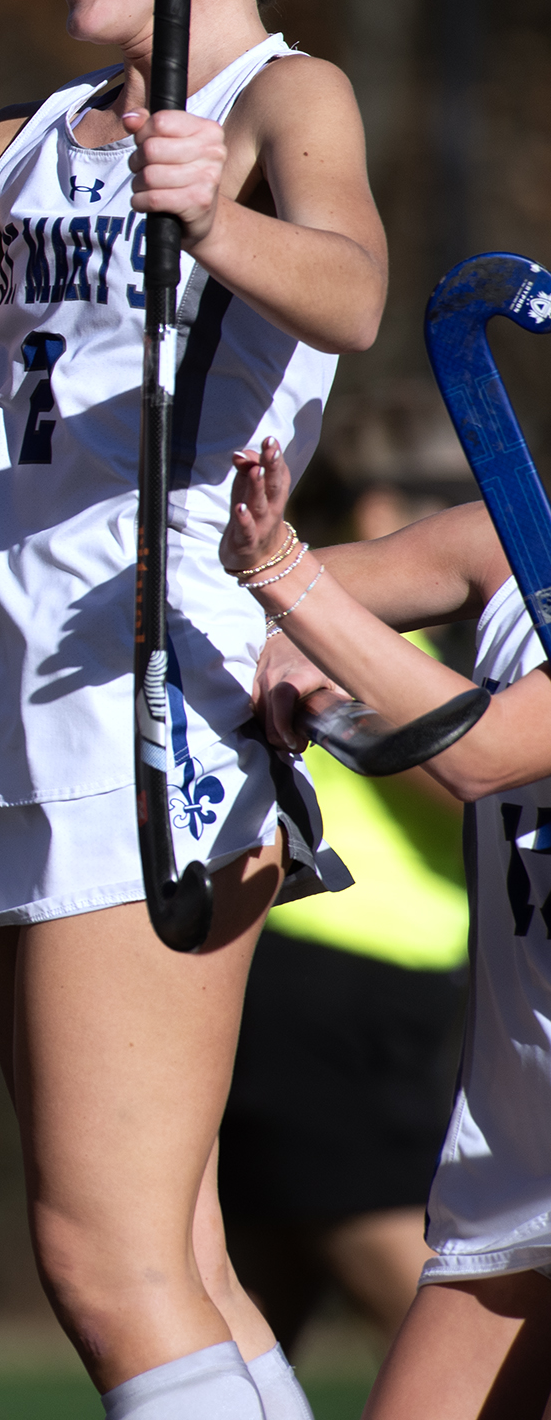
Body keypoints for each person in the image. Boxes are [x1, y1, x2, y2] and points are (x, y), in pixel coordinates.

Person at [0, 0, 385, 1419]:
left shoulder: (276, 102)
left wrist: (220, 220)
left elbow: (354, 293)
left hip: (147, 703)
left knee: (104, 1267)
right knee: (169, 1251)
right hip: (8, 703)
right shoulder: (19, 140)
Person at [223, 441, 551, 1420]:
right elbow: (296, 602)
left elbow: (484, 752)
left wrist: (290, 584)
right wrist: (296, 632)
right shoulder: (515, 544)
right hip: (518, 1157)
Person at [217, 474, 467, 1361]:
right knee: (451, 1333)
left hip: (373, 1001)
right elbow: (462, 782)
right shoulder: (364, 641)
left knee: (254, 1310)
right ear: (376, 505)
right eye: (440, 493)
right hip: (328, 991)